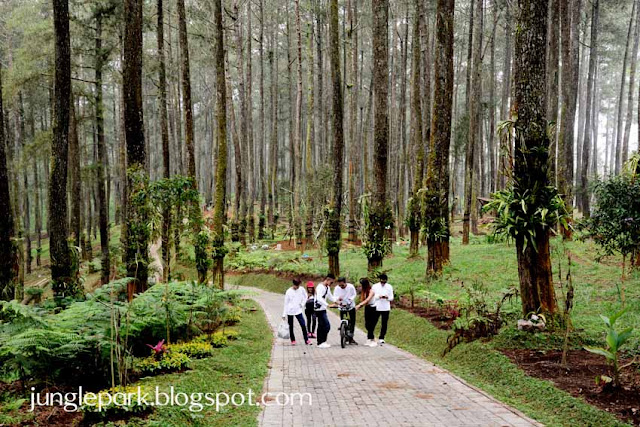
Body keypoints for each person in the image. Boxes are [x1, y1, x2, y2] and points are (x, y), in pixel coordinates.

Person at [282, 279, 310, 345]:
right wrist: (284, 314)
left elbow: (305, 296)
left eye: (298, 286)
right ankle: (293, 340)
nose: (297, 287)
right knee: (290, 326)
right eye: (296, 286)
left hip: (298, 310)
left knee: (303, 325)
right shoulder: (288, 291)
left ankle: (306, 339)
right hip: (290, 311)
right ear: (293, 284)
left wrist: (302, 304)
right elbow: (286, 303)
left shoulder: (301, 289)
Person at [370, 273, 394, 346]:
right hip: (377, 306)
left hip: (386, 307)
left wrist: (387, 297)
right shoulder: (375, 286)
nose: (383, 283)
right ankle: (371, 335)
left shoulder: (389, 287)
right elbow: (372, 296)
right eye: (382, 281)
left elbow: (391, 297)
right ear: (379, 280)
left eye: (384, 281)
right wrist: (379, 296)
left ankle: (382, 337)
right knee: (374, 321)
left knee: (384, 323)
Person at [332, 277, 357, 344]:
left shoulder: (351, 287)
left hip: (350, 305)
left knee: (352, 321)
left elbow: (354, 294)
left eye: (342, 285)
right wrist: (338, 299)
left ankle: (351, 336)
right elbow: (334, 296)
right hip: (342, 306)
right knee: (343, 320)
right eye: (340, 285)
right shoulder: (337, 288)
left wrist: (350, 300)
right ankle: (343, 332)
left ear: (345, 282)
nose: (341, 287)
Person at [314, 274, 335, 348]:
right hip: (318, 309)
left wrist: (337, 301)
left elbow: (330, 296)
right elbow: (319, 298)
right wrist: (327, 305)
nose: (331, 284)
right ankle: (321, 342)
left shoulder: (327, 287)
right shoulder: (320, 287)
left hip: (323, 309)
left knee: (322, 325)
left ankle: (322, 342)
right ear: (328, 280)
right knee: (326, 325)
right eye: (331, 282)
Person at [355, 277, 377, 347]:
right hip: (367, 308)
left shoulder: (371, 291)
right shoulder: (364, 291)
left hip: (373, 308)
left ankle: (371, 339)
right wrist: (359, 306)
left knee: (371, 324)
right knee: (367, 324)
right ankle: (370, 338)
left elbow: (368, 300)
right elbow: (363, 300)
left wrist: (360, 305)